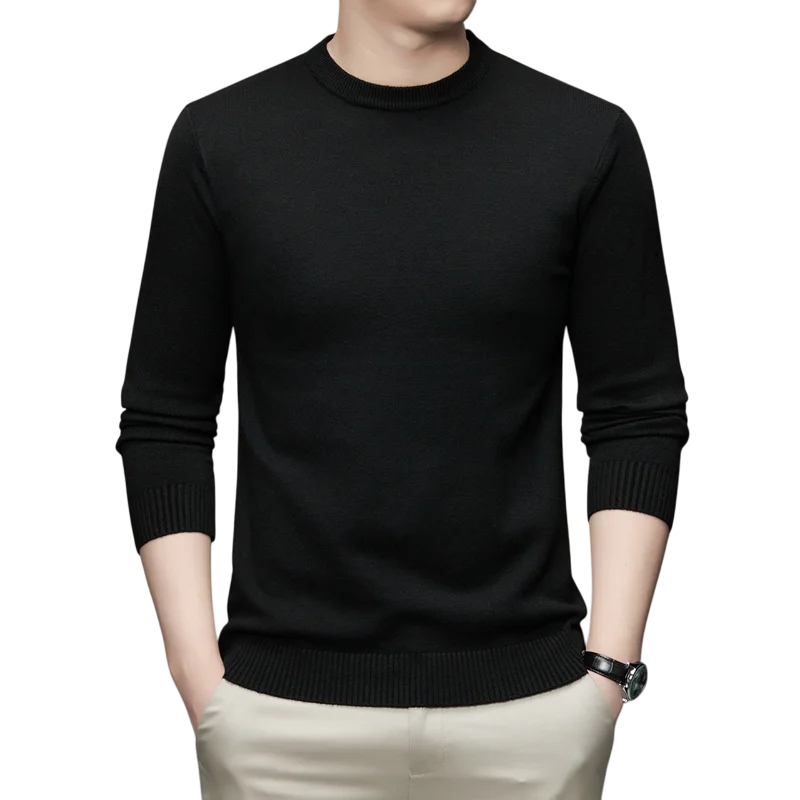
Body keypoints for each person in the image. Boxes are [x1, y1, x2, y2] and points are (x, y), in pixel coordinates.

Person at [115, 1, 690, 797]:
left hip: (531, 722)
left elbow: (637, 414)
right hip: (279, 724)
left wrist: (607, 675)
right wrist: (199, 680)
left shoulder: (584, 139)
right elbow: (166, 421)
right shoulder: (223, 139)